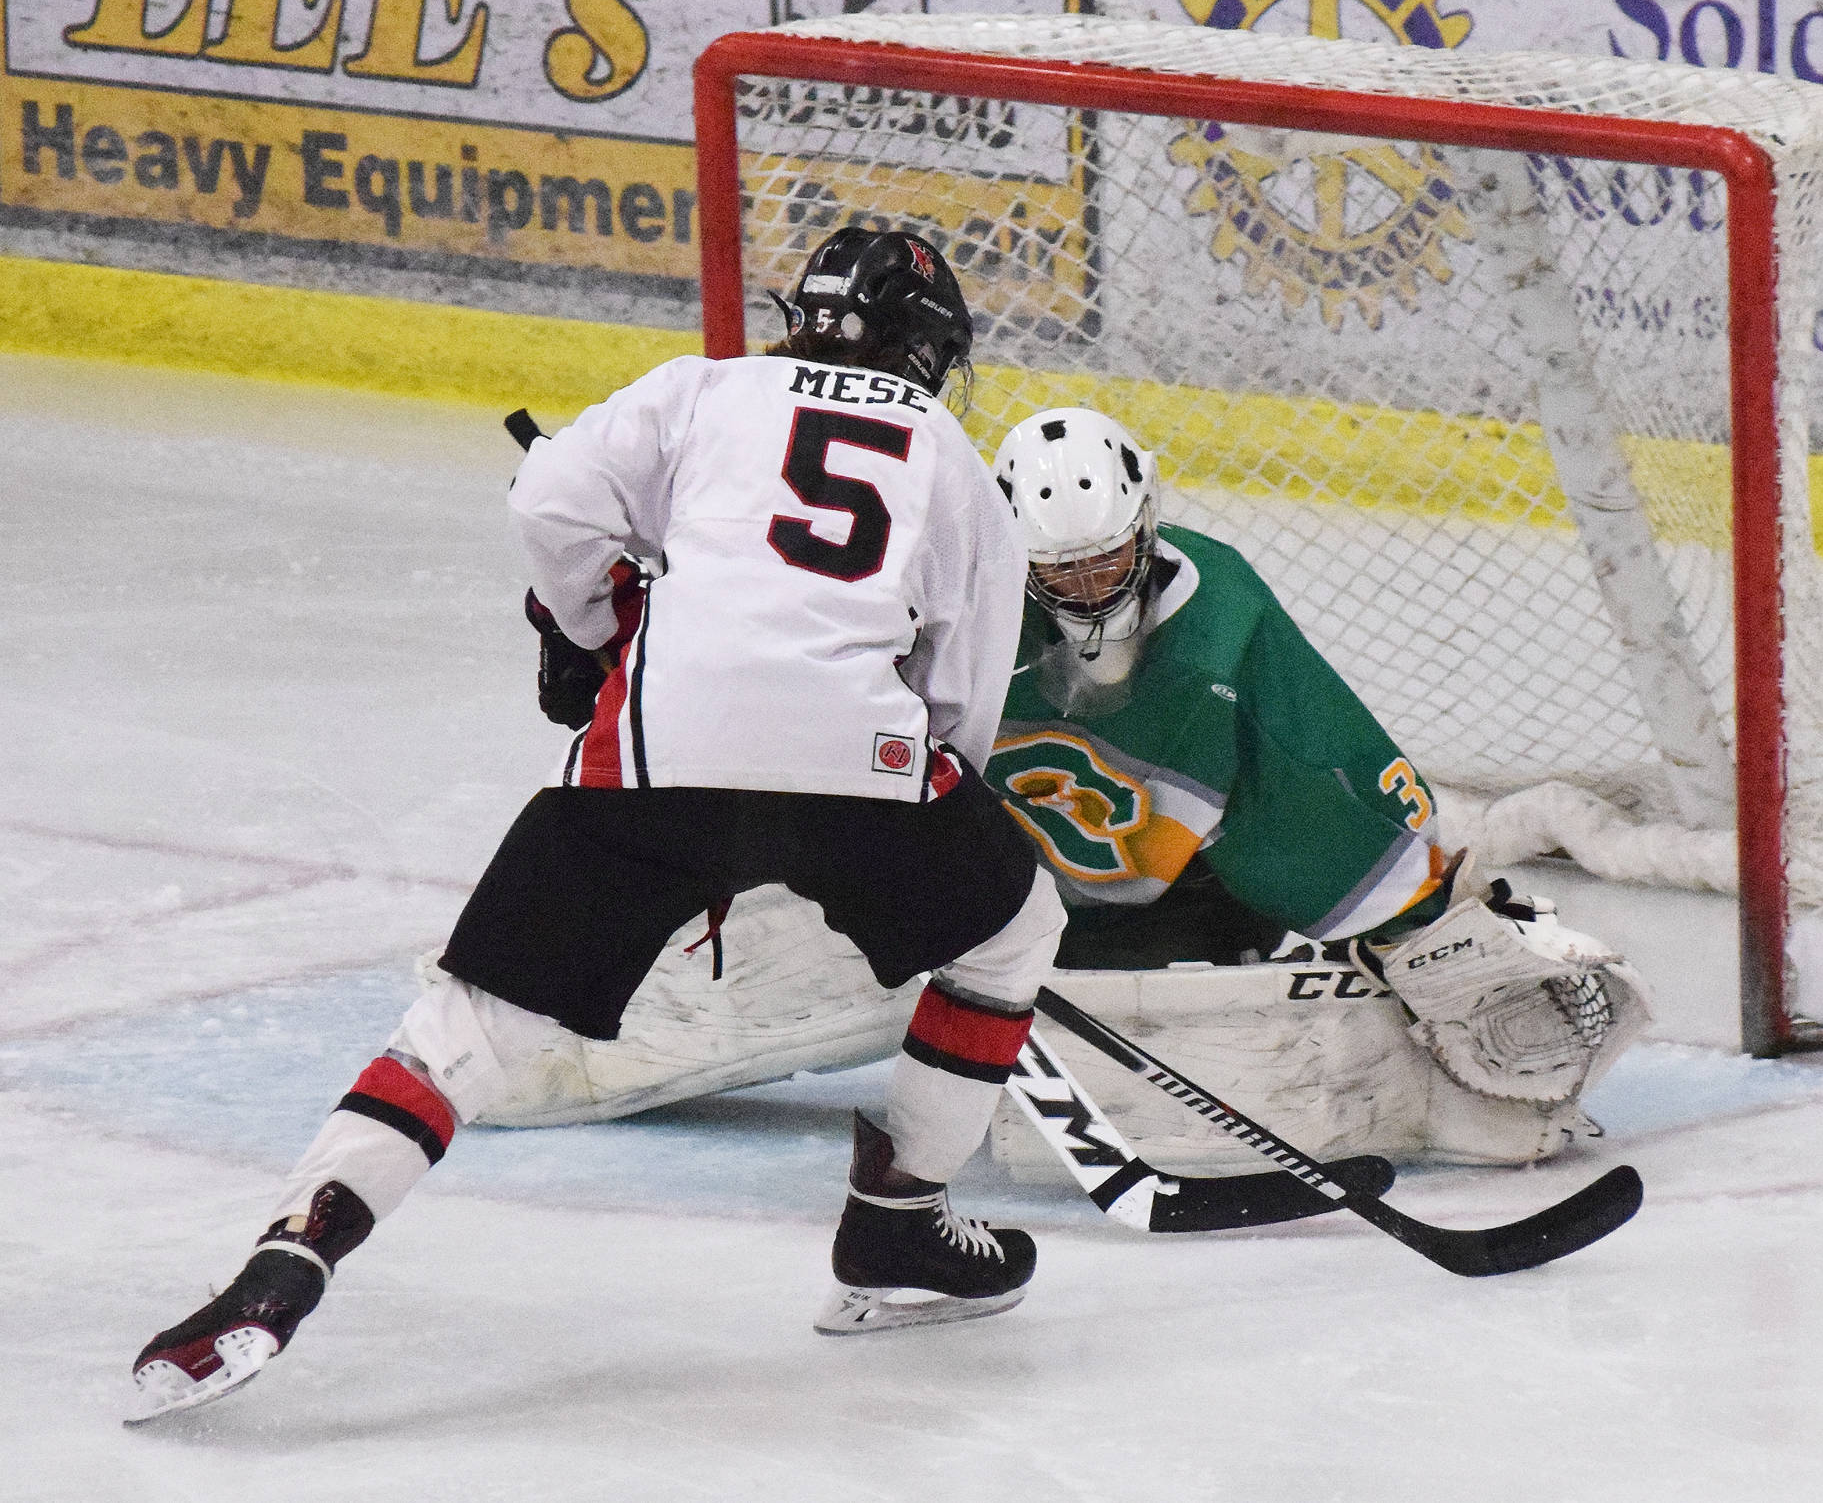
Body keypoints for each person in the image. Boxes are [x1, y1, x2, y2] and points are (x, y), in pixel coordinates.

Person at [129, 227, 1068, 1423]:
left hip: (652, 753)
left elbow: (551, 499)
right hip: (862, 763)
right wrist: (922, 844)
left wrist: (586, 628)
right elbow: (959, 695)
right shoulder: (941, 448)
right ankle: (896, 1223)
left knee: (463, 1026)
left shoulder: (701, 389)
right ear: (927, 349)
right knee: (1011, 928)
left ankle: (290, 1254)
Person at [453, 407, 1652, 1179]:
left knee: (1171, 1105)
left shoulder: (1220, 617)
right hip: (940, 894)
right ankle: (490, 1055)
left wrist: (1424, 929)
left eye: (1101, 556)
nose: (1081, 585)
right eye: (1054, 566)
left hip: (1165, 920)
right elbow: (793, 689)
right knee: (604, 1035)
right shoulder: (950, 583)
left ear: (1146, 520)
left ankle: (1427, 1100)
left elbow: (1315, 771)